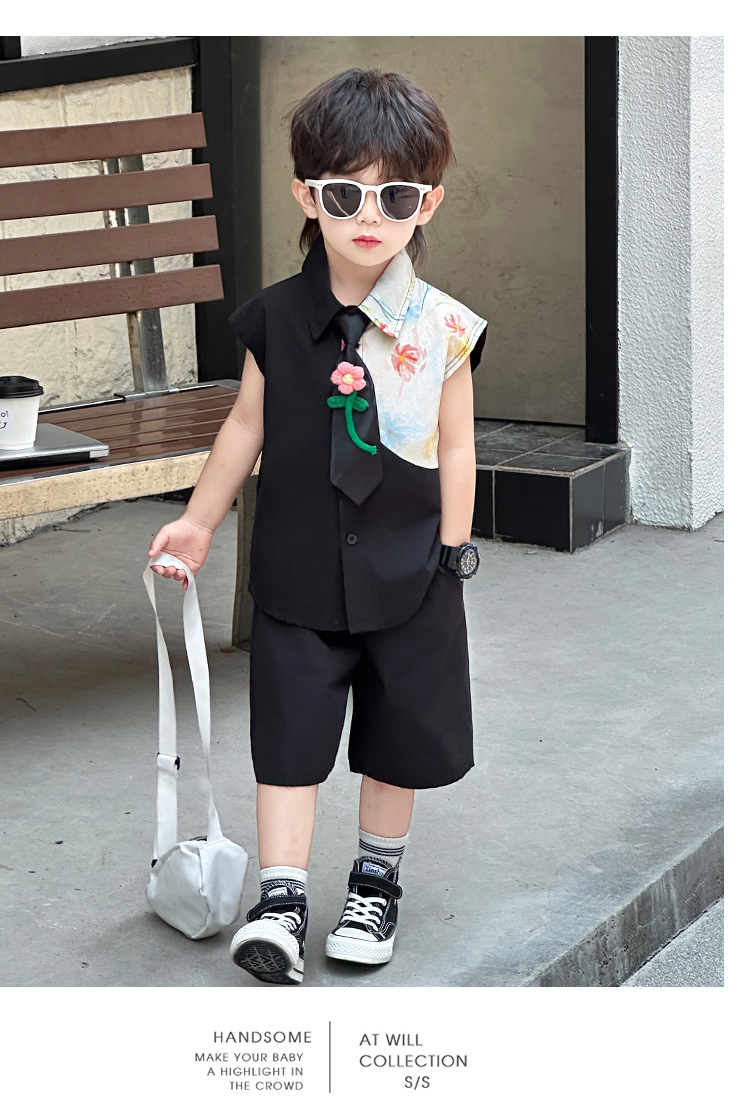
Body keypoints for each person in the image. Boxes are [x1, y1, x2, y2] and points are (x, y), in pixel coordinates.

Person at [148, 67, 488, 986]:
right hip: (298, 571)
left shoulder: (445, 329)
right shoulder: (274, 319)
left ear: (428, 203)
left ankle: (376, 883)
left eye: (396, 195)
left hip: (411, 571)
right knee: (289, 736)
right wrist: (199, 523)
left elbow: (458, 443)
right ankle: (283, 899)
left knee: (398, 732)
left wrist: (453, 549)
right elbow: (245, 426)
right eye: (345, 194)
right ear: (307, 196)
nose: (369, 215)